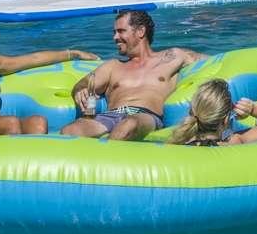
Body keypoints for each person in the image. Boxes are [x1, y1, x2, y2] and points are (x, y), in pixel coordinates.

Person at [59, 10, 204, 140]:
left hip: (146, 116)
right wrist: (80, 90)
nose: (115, 37)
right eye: (114, 32)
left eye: (121, 31)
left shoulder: (172, 57)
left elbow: (214, 61)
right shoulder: (113, 66)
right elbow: (85, 84)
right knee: (70, 130)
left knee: (128, 125)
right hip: (111, 115)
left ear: (140, 31)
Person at [166, 77, 257, 147]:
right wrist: (253, 108)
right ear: (225, 119)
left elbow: (221, 134)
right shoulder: (236, 141)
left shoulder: (179, 141)